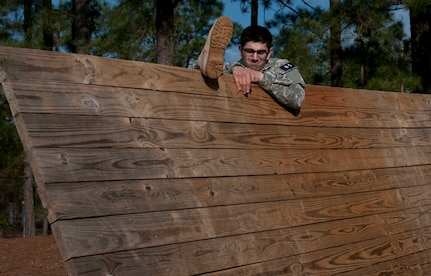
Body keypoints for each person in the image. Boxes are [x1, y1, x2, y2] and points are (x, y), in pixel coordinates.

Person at [195, 16, 306, 110]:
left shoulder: (281, 67)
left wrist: (262, 78)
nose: (254, 57)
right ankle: (202, 57)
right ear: (240, 50)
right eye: (249, 51)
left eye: (261, 52)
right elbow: (197, 73)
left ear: (269, 53)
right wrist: (235, 67)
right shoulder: (230, 68)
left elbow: (297, 98)